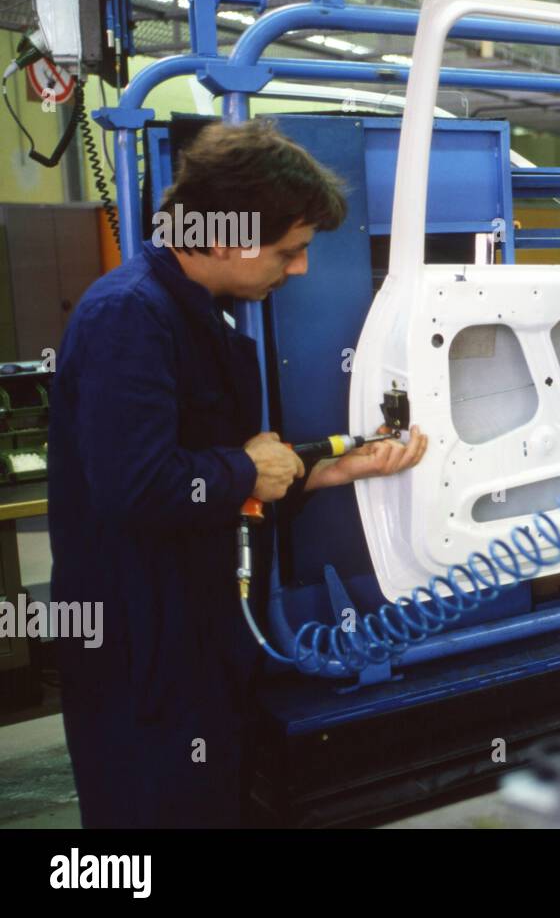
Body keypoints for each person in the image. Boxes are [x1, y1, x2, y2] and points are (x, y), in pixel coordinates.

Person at [48, 120, 428, 828]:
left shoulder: (199, 317)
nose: (300, 269)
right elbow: (135, 486)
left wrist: (326, 471)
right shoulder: (127, 317)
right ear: (225, 236)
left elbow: (214, 480)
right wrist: (245, 465)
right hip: (141, 646)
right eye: (290, 251)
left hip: (196, 631)